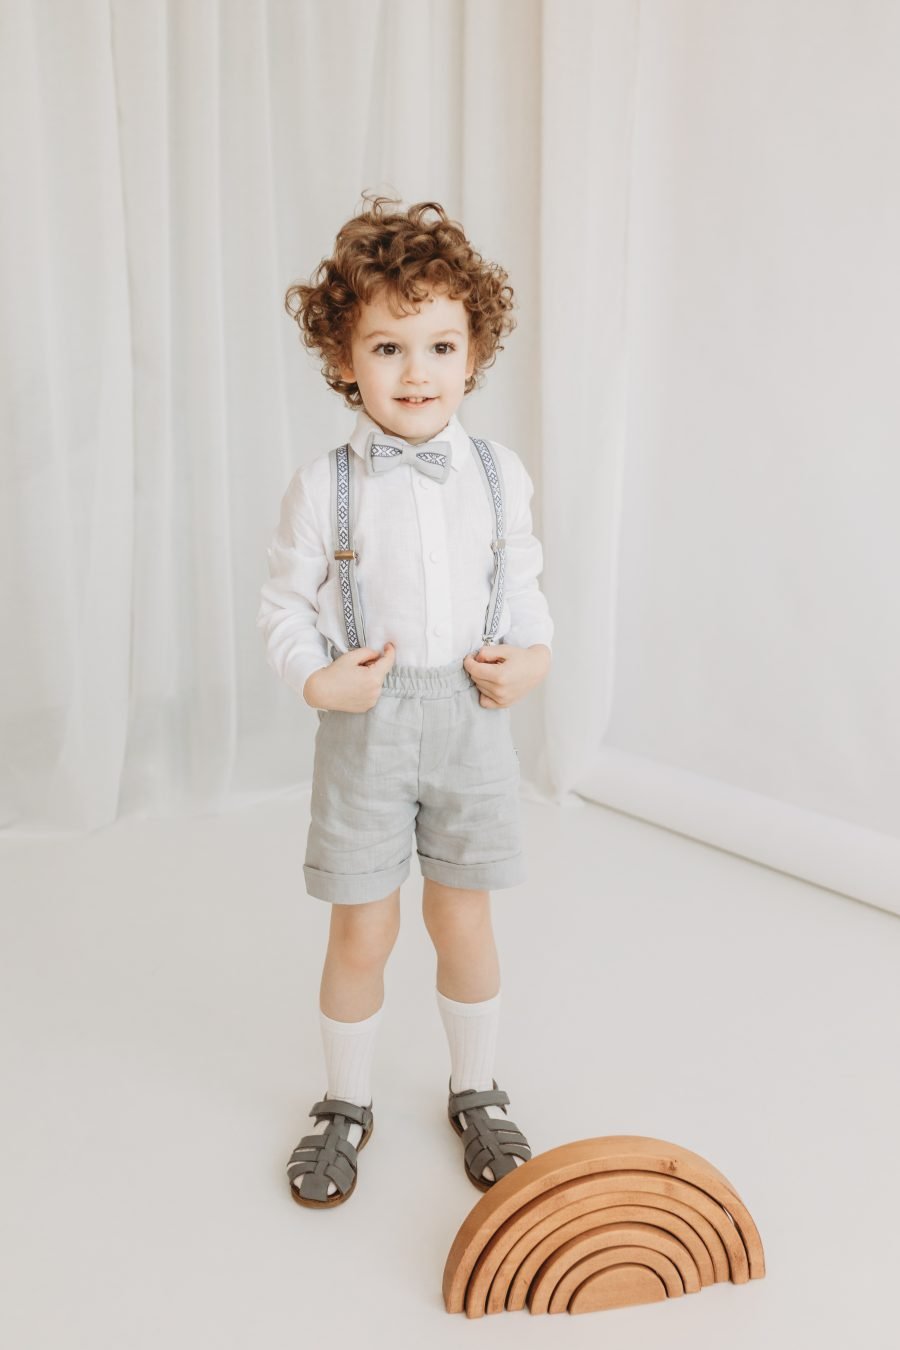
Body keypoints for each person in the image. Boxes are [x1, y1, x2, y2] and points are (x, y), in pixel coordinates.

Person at [257, 194, 553, 1208]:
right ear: (345, 358)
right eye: (388, 347)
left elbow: (521, 586)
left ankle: (475, 1086)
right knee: (360, 930)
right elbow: (282, 606)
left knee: (462, 918)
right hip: (366, 727)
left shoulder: (497, 473)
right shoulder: (324, 483)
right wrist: (315, 675)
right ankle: (343, 1103)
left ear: (475, 354)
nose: (416, 371)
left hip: (468, 721)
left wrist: (535, 653)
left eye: (439, 345)